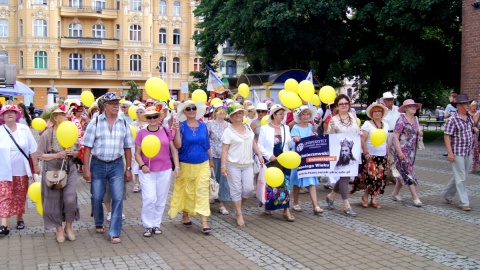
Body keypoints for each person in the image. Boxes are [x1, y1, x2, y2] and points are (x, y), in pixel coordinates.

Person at [83, 92, 134, 244]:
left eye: (117, 103)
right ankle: (98, 221)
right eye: (112, 103)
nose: (116, 106)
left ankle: (114, 232)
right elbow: (87, 148)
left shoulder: (124, 123)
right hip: (98, 163)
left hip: (116, 164)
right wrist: (86, 168)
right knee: (97, 196)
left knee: (118, 197)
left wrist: (129, 168)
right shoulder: (95, 122)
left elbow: (128, 148)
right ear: (105, 106)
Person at [169, 100, 214, 234]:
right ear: (184, 112)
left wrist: (211, 159)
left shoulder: (203, 126)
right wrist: (176, 130)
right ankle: (185, 214)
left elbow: (207, 144)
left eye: (193, 108)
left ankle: (204, 221)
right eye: (188, 109)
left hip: (203, 162)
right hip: (186, 163)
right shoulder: (181, 126)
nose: (191, 111)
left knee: (202, 191)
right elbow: (177, 146)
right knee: (187, 191)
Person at [37, 104, 80, 242]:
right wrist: (56, 155)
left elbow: (77, 150)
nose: (66, 116)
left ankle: (69, 226)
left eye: (65, 114)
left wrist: (72, 152)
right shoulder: (47, 134)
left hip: (69, 168)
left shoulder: (70, 129)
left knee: (70, 199)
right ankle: (59, 230)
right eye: (62, 114)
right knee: (53, 201)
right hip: (52, 170)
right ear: (55, 117)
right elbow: (40, 155)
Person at [135, 106, 179, 237]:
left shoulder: (166, 131)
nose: (152, 119)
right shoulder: (141, 133)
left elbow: (173, 150)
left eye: (155, 116)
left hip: (164, 169)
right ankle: (147, 225)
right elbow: (137, 153)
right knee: (149, 198)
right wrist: (142, 165)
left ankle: (156, 224)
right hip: (147, 170)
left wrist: (176, 166)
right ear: (146, 119)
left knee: (160, 198)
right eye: (149, 117)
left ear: (159, 117)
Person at [221, 103, 264, 226]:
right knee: (236, 189)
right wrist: (223, 166)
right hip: (233, 164)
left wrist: (259, 155)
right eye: (235, 114)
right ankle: (239, 214)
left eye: (240, 113)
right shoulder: (228, 131)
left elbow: (253, 142)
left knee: (248, 189)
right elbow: (224, 149)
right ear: (231, 116)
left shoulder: (248, 127)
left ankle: (237, 207)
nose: (238, 115)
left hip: (248, 164)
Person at [0, 105, 40, 235]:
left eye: (12, 112)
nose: (10, 114)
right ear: (2, 117)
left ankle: (20, 218)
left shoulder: (24, 129)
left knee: (20, 195)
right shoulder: (0, 131)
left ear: (17, 115)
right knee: (4, 196)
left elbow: (33, 149)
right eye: (6, 113)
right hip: (4, 171)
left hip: (22, 169)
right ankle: (4, 223)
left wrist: (36, 165)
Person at [258, 104, 295, 221]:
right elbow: (260, 145)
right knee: (273, 184)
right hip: (272, 159)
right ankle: (269, 205)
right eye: (280, 114)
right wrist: (269, 155)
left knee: (286, 184)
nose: (282, 116)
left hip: (285, 159)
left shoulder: (286, 128)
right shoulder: (265, 128)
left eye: (283, 114)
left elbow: (288, 144)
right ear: (274, 115)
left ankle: (286, 210)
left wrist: (294, 140)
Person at [325, 94, 360, 217]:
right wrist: (332, 129)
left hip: (353, 151)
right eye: (341, 104)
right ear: (337, 106)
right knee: (345, 178)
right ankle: (346, 205)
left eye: (346, 103)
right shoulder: (333, 119)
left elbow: (356, 131)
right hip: (340, 152)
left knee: (345, 177)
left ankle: (331, 196)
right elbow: (330, 136)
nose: (344, 105)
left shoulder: (353, 116)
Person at [442, 94, 477, 211]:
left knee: (460, 176)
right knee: (461, 177)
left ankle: (446, 194)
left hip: (469, 150)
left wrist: (474, 129)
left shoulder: (470, 118)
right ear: (459, 105)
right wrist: (450, 153)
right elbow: (447, 137)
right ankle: (464, 202)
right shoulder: (452, 119)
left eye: (468, 103)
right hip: (457, 151)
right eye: (466, 104)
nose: (468, 106)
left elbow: (470, 129)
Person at [351, 103, 389, 209]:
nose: (377, 113)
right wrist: (366, 153)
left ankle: (374, 199)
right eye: (375, 111)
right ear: (371, 113)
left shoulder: (385, 125)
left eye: (379, 111)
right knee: (371, 177)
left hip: (382, 155)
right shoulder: (367, 124)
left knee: (379, 178)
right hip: (370, 156)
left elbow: (386, 140)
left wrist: (388, 154)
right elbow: (362, 139)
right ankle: (365, 197)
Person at [289, 106, 323, 214]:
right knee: (297, 182)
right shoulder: (296, 127)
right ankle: (295, 202)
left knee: (311, 181)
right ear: (299, 116)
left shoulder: (311, 126)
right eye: (303, 114)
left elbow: (314, 141)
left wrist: (315, 135)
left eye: (307, 114)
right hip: (298, 157)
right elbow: (292, 141)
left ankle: (315, 205)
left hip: (309, 158)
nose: (306, 116)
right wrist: (295, 138)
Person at [390, 99, 424, 206]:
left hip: (412, 151)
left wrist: (420, 133)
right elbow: (395, 137)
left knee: (403, 172)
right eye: (411, 106)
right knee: (409, 172)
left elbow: (415, 133)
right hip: (402, 150)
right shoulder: (401, 120)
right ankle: (415, 197)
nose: (414, 108)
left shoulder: (415, 119)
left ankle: (395, 193)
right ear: (405, 108)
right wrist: (399, 152)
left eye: (414, 106)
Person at [206, 104, 231, 214]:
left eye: (224, 111)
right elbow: (206, 141)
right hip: (213, 155)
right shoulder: (209, 124)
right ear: (215, 113)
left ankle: (222, 204)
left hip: (225, 156)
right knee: (211, 178)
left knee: (224, 180)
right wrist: (209, 157)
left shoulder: (229, 126)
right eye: (219, 111)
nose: (222, 112)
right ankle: (207, 201)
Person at [381, 91, 400, 184]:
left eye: (392, 99)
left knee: (396, 155)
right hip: (385, 134)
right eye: (388, 100)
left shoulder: (397, 109)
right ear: (384, 101)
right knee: (386, 155)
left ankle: (393, 175)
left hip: (396, 134)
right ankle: (387, 175)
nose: (391, 101)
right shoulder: (382, 110)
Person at [131, 106, 148, 193]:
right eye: (137, 112)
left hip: (146, 147)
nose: (139, 114)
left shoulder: (147, 123)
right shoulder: (133, 123)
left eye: (141, 112)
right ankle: (137, 183)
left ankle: (144, 182)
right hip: (135, 146)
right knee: (135, 164)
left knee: (145, 163)